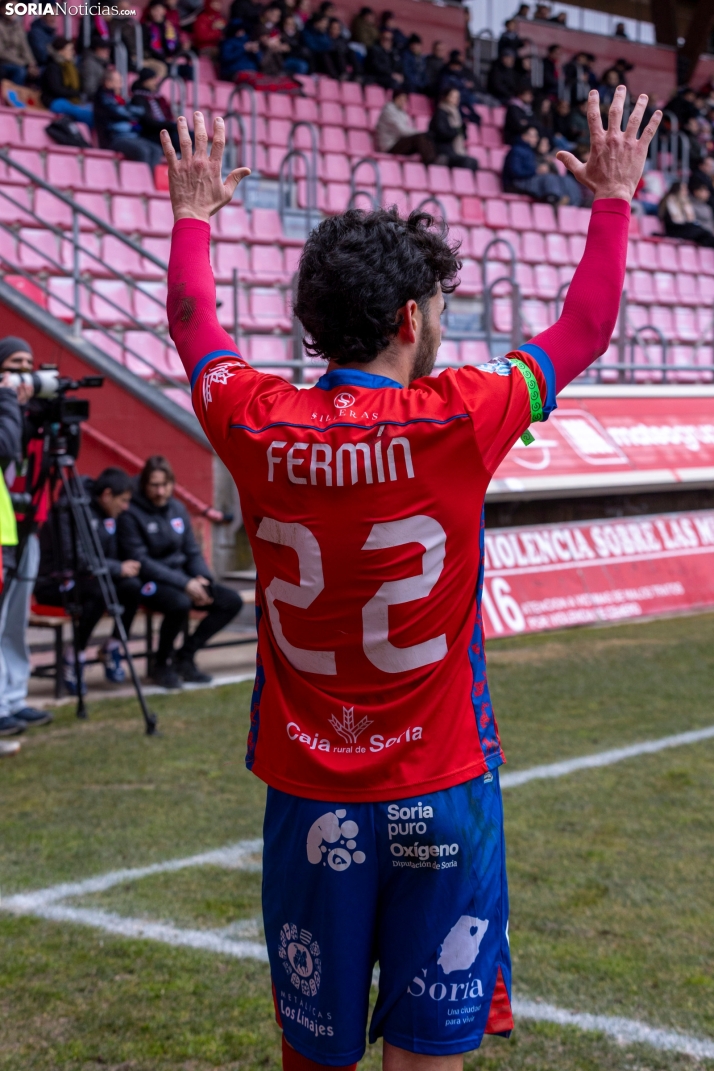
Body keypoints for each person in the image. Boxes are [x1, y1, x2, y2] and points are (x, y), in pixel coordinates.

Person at [160, 83, 660, 1071]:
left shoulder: (253, 418)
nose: (439, 322)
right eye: (435, 306)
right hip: (441, 785)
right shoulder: (460, 415)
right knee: (428, 1059)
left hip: (310, 795)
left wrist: (191, 216)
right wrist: (613, 199)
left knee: (316, 1058)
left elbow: (192, 326)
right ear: (406, 318)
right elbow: (586, 327)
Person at [118, 456, 243, 688]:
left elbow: (191, 550)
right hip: (148, 582)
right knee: (179, 603)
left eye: (165, 485)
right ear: (144, 484)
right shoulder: (130, 514)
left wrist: (203, 579)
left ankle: (184, 657)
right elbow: (141, 561)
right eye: (154, 485)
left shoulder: (177, 508)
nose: (160, 491)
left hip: (183, 579)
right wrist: (185, 584)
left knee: (231, 601)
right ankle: (161, 665)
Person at [34, 467, 143, 694]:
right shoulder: (69, 509)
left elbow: (109, 556)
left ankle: (112, 646)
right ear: (107, 495)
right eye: (123, 501)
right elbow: (74, 560)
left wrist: (123, 567)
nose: (126, 507)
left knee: (131, 587)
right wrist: (117, 568)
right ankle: (74, 655)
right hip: (54, 583)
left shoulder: (108, 514)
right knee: (100, 591)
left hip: (90, 580)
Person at [0, 337, 51, 736]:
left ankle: (13, 696)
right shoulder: (6, 412)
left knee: (16, 620)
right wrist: (11, 405)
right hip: (6, 527)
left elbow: (58, 456)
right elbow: (7, 448)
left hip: (26, 525)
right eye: (15, 364)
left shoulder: (30, 413)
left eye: (29, 365)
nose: (23, 373)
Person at [94, 67, 165, 167]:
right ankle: (141, 176)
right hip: (114, 138)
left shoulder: (118, 99)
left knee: (156, 150)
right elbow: (121, 112)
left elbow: (137, 111)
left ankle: (150, 176)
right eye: (118, 82)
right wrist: (131, 113)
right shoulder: (102, 98)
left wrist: (131, 113)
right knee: (143, 151)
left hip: (131, 136)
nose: (121, 85)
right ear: (108, 83)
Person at [503, 124, 573, 201]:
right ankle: (552, 200)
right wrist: (536, 171)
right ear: (524, 136)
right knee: (549, 178)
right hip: (515, 184)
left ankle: (570, 201)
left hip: (527, 180)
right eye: (533, 136)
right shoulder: (516, 150)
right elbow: (515, 172)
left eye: (536, 136)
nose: (536, 139)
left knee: (566, 179)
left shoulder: (529, 151)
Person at [40, 36, 94, 127]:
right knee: (86, 114)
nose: (73, 52)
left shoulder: (72, 67)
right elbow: (56, 89)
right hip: (55, 101)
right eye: (70, 49)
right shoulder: (52, 67)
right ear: (60, 51)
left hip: (71, 100)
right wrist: (76, 93)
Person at [375, 88, 436, 164]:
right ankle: (430, 162)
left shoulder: (402, 112)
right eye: (401, 99)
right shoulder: (388, 110)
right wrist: (420, 133)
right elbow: (402, 131)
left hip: (398, 142)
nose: (403, 101)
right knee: (419, 138)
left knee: (427, 139)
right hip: (389, 146)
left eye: (405, 99)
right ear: (395, 98)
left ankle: (433, 160)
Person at [130, 67, 180, 149]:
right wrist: (170, 125)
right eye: (152, 79)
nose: (155, 82)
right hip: (149, 133)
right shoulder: (138, 98)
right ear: (145, 81)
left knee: (187, 132)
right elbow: (148, 122)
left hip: (161, 129)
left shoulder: (156, 97)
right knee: (176, 135)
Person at [429, 87, 479, 170]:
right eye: (453, 97)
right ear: (445, 97)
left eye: (457, 97)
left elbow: (463, 136)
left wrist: (462, 129)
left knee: (473, 162)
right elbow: (442, 133)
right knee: (469, 162)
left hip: (453, 150)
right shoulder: (440, 113)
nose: (456, 99)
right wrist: (458, 130)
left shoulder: (457, 114)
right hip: (443, 152)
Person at [659, 180, 714, 246]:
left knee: (704, 234)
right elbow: (676, 220)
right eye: (684, 189)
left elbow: (690, 219)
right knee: (701, 232)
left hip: (682, 227)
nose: (686, 192)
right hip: (674, 229)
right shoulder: (670, 200)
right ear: (677, 190)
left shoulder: (684, 201)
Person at [0, 2, 39, 85]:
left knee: (40, 71)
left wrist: (31, 63)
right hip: (4, 62)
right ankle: (13, 93)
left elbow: (25, 47)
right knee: (20, 71)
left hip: (20, 62)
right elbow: (2, 53)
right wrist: (24, 64)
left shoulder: (18, 25)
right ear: (2, 9)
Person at [110, 0, 142, 71]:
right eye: (122, 8)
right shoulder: (114, 24)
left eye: (127, 9)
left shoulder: (132, 24)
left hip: (138, 56)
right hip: (122, 58)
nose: (125, 11)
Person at [80, 35, 112, 101]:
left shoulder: (100, 62)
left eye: (108, 48)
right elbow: (89, 89)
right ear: (96, 49)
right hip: (92, 101)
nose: (107, 51)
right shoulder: (89, 64)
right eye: (104, 48)